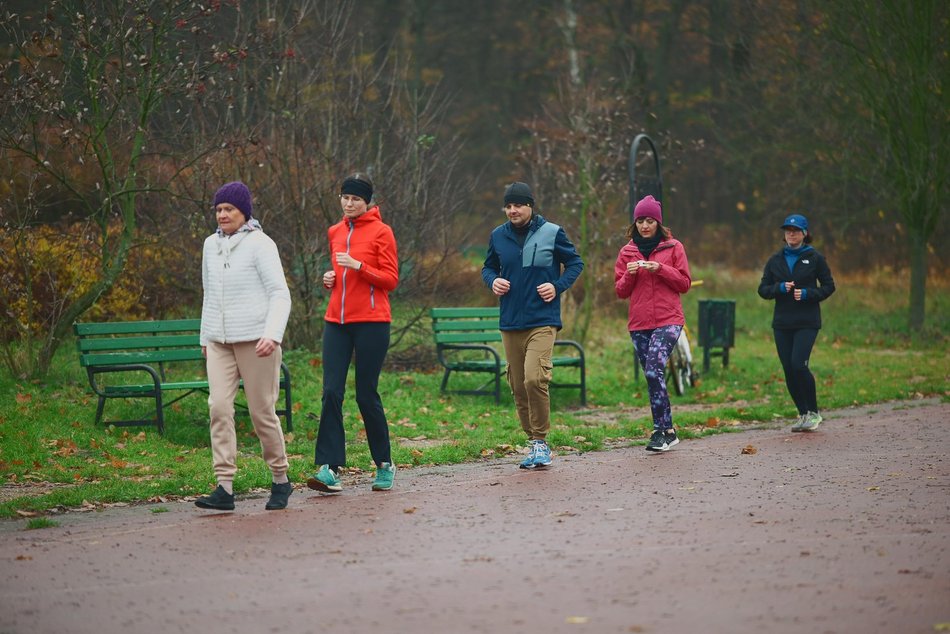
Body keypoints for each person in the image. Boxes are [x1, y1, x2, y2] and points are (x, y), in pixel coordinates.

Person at [196, 181, 293, 511]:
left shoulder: (260, 244)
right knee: (218, 407)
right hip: (219, 341)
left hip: (257, 341)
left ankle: (280, 479)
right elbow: (208, 292)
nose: (222, 215)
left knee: (261, 412)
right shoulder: (210, 245)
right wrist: (204, 337)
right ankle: (224, 487)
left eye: (229, 210)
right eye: (218, 210)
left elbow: (280, 293)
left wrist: (273, 334)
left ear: (244, 212)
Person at [307, 173, 400, 494]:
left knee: (365, 394)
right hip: (337, 321)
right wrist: (331, 278)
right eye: (345, 198)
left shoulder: (382, 232)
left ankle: (384, 464)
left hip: (372, 322)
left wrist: (360, 267)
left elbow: (390, 280)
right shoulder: (334, 231)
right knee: (331, 391)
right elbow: (340, 275)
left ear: (367, 202)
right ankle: (329, 468)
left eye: (355, 199)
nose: (349, 204)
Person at [481, 181, 584, 469]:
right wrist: (493, 280)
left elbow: (575, 263)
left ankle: (541, 441)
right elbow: (488, 267)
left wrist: (557, 285)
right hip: (510, 321)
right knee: (517, 384)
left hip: (543, 319)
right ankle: (533, 442)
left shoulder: (552, 232)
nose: (512, 210)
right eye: (508, 205)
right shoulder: (497, 236)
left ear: (530, 206)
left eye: (518, 205)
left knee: (534, 379)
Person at [614, 195, 691, 452]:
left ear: (658, 222)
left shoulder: (673, 247)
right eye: (640, 221)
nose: (644, 226)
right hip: (639, 323)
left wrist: (659, 268)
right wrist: (629, 273)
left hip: (669, 319)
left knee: (652, 369)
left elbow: (684, 283)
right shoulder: (627, 251)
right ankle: (668, 430)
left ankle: (660, 430)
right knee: (653, 377)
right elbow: (621, 291)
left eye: (649, 220)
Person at [757, 213, 836, 432]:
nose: (791, 234)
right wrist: (779, 288)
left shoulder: (815, 257)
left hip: (807, 321)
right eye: (788, 231)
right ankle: (802, 414)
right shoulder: (775, 260)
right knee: (788, 370)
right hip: (782, 323)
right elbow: (763, 290)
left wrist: (809, 294)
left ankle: (814, 412)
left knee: (798, 365)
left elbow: (829, 286)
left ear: (804, 234)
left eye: (796, 231)